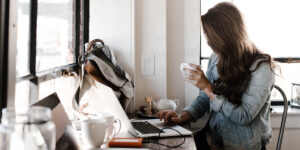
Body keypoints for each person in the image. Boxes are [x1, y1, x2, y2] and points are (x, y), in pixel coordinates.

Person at [156, 2, 277, 150]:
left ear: (227, 35)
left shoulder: (262, 67)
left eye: (211, 37)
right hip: (212, 140)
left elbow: (243, 116)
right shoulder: (216, 58)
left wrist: (207, 87)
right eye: (206, 36)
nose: (208, 42)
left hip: (241, 145)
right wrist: (182, 116)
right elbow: (204, 98)